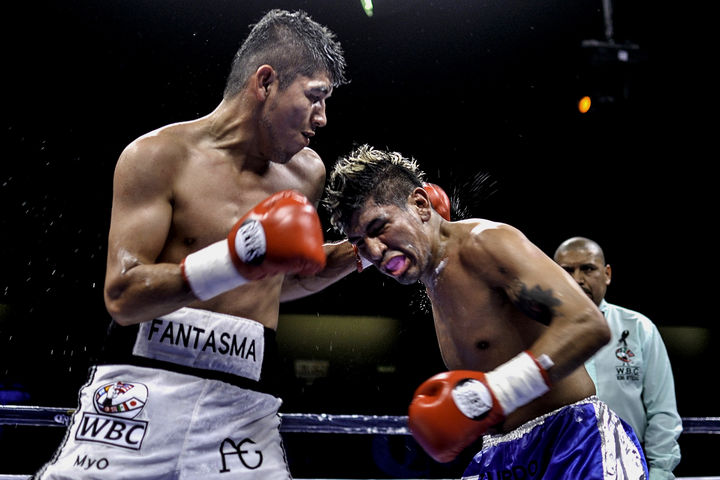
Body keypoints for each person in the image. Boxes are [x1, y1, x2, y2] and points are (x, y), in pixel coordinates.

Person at [35, 9, 358, 479]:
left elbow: (278, 277)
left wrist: (364, 250)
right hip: (139, 391)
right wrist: (235, 257)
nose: (322, 118)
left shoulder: (306, 174)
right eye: (314, 97)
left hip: (244, 404)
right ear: (265, 82)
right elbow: (122, 296)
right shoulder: (158, 156)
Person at [324, 145, 649, 478]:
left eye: (379, 227)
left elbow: (587, 324)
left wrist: (496, 392)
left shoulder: (484, 244)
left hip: (574, 445)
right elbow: (314, 268)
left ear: (421, 205)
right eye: (359, 242)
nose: (374, 251)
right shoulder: (431, 276)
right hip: (501, 456)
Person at [553, 236, 682, 479]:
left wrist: (660, 472)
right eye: (567, 270)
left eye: (587, 269)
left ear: (607, 274)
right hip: (561, 466)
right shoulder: (536, 332)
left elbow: (662, 411)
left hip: (630, 464)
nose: (577, 279)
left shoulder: (639, 328)